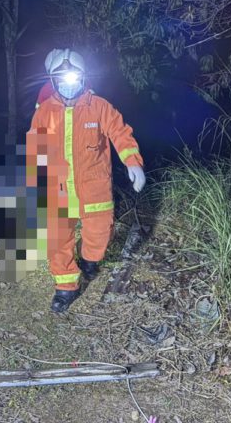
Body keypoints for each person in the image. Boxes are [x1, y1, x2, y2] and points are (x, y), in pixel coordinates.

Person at [27, 48, 146, 313]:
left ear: (83, 77)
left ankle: (90, 260)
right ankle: (65, 286)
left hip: (94, 186)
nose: (68, 84)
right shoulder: (44, 111)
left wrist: (133, 162)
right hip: (57, 187)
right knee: (57, 239)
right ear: (53, 80)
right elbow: (36, 147)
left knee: (100, 231)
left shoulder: (99, 106)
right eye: (62, 78)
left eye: (74, 77)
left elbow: (120, 133)